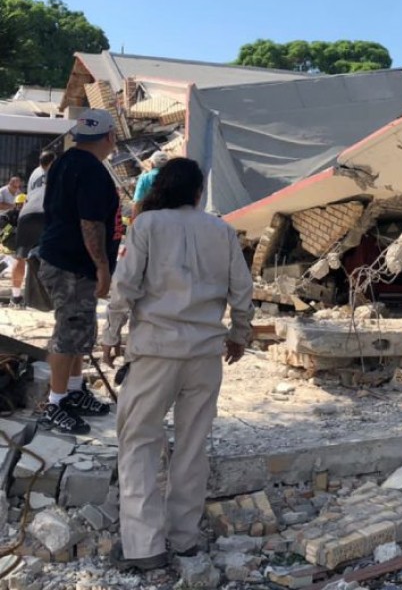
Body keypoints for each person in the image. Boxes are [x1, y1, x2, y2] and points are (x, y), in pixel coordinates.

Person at [100, 157, 253, 571]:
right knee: (191, 445)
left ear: (161, 187)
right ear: (197, 193)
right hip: (204, 354)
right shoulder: (221, 231)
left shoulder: (146, 226)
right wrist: (239, 334)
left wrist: (111, 335)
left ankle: (144, 545)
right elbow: (242, 288)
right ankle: (184, 539)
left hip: (155, 352)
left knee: (139, 444)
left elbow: (125, 285)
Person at [37, 109, 122, 435]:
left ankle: (73, 390)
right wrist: (102, 266)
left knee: (79, 330)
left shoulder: (64, 161)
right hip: (72, 263)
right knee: (68, 332)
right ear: (110, 136)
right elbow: (90, 223)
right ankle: (54, 403)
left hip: (65, 259)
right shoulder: (91, 171)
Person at [12, 151, 57, 307]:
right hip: (46, 213)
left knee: (20, 257)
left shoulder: (34, 173)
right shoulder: (57, 172)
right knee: (53, 256)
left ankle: (16, 297)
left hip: (27, 214)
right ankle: (49, 297)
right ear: (53, 161)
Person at [131, 150, 168, 219]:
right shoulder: (173, 176)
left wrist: (134, 222)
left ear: (152, 164)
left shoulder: (144, 178)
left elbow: (137, 203)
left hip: (153, 217)